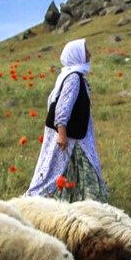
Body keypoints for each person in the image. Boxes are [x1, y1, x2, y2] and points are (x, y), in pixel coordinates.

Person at [25, 38, 108, 202]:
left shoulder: (72, 76)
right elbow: (63, 106)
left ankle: (75, 201)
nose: (89, 54)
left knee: (70, 167)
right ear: (76, 55)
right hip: (68, 136)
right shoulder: (73, 78)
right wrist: (62, 133)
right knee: (58, 170)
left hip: (76, 135)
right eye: (85, 51)